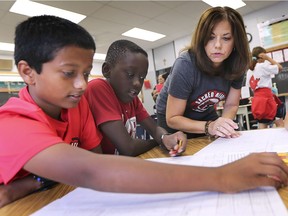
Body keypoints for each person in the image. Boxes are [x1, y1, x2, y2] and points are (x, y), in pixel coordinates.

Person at [1, 14, 288, 209]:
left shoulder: (75, 107)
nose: (81, 84)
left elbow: (93, 159)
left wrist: (34, 182)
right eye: (68, 73)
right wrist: (222, 178)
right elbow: (91, 170)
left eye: (85, 73)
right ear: (28, 72)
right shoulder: (13, 122)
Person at [156, 6, 249, 139]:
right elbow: (173, 118)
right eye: (210, 37)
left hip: (204, 113)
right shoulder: (185, 64)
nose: (217, 45)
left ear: (236, 41)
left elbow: (231, 104)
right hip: (172, 118)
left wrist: (222, 126)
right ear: (201, 39)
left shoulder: (238, 64)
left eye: (226, 38)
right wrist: (209, 127)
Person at [84, 40, 186, 157]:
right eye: (130, 74)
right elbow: (128, 147)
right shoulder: (98, 88)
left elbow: (154, 129)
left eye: (142, 77)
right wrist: (159, 142)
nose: (138, 83)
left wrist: (166, 137)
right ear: (107, 70)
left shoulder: (131, 98)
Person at [248, 46, 283, 129]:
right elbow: (280, 68)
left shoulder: (250, 70)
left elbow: (252, 86)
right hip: (267, 99)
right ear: (262, 56)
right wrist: (268, 58)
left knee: (262, 125)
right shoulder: (261, 66)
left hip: (258, 99)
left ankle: (264, 141)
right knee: (280, 124)